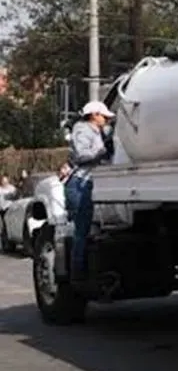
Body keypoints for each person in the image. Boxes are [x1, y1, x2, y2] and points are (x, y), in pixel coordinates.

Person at [65, 100, 116, 284]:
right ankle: (77, 275)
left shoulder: (97, 131)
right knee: (81, 231)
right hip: (79, 184)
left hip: (84, 183)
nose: (106, 120)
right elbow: (82, 154)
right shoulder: (83, 130)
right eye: (104, 116)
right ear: (94, 115)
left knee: (85, 229)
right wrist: (102, 151)